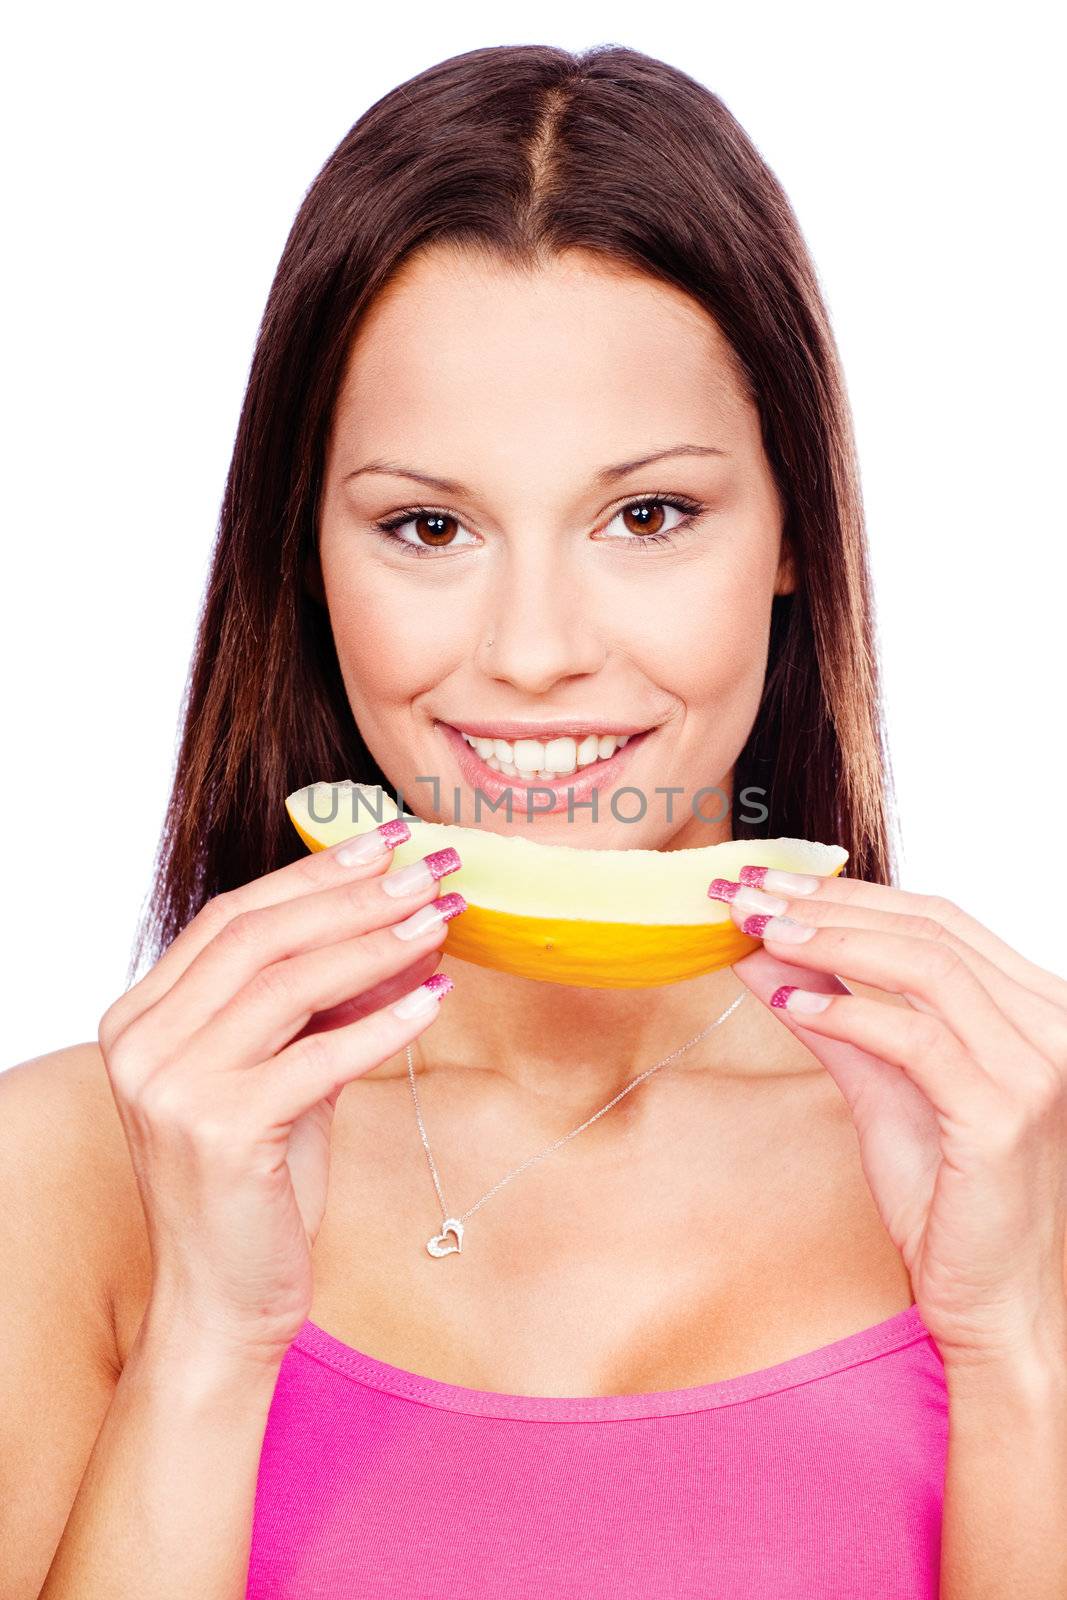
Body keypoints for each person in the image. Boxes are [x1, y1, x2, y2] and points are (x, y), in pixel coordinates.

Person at [4, 40, 1066, 1600]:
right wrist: (210, 1345)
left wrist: (1018, 1338)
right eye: (427, 526)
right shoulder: (67, 1175)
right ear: (304, 558)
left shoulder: (1022, 1144)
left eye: (647, 516)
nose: (533, 649)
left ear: (792, 535)